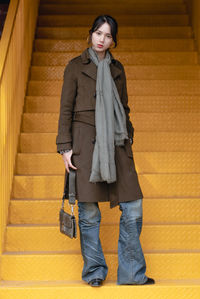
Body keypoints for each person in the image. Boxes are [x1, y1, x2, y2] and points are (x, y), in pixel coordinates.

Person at [56, 15, 155, 287]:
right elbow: (65, 109)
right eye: (98, 33)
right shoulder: (75, 67)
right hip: (85, 144)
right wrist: (65, 147)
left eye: (108, 36)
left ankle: (132, 273)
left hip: (117, 143)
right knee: (89, 214)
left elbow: (123, 107)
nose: (102, 39)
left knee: (133, 207)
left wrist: (128, 134)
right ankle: (95, 271)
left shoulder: (118, 69)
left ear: (114, 40)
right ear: (90, 34)